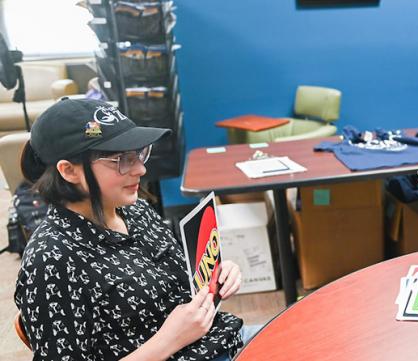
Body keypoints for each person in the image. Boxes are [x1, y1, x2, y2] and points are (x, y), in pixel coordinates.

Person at [14, 98, 258, 360]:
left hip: (225, 339)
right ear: (69, 171)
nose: (141, 169)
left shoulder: (135, 210)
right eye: (121, 160)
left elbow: (182, 283)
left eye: (139, 154)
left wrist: (216, 276)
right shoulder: (51, 260)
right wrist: (168, 340)